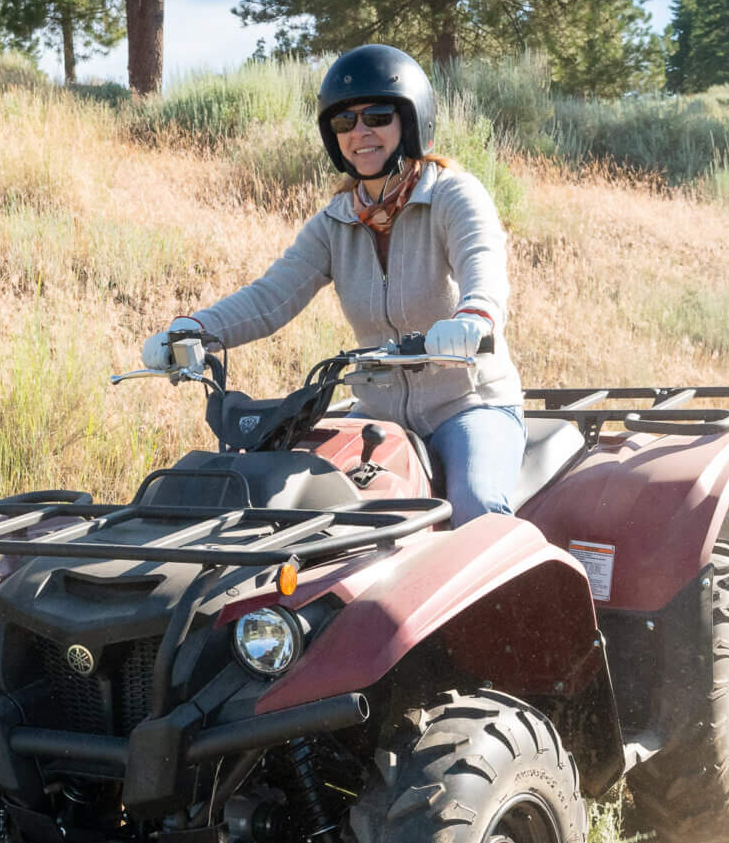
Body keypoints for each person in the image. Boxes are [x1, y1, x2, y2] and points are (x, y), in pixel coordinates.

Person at [140, 44, 526, 523]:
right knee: (292, 504)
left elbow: (483, 266)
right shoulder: (334, 221)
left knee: (478, 506)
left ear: (411, 121)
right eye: (345, 122)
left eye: (378, 116)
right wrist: (193, 330)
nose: (360, 133)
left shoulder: (452, 195)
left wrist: (474, 317)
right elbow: (270, 296)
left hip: (468, 406)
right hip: (377, 415)